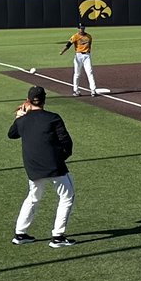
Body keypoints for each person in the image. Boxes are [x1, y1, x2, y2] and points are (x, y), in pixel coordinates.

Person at [8, 85, 75, 247]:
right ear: (44, 100)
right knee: (67, 197)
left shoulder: (22, 121)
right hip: (54, 166)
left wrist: (19, 116)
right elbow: (67, 142)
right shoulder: (53, 118)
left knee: (33, 198)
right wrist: (61, 158)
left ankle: (20, 234)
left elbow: (12, 134)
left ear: (28, 101)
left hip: (33, 167)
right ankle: (58, 236)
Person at [62, 22, 98, 95]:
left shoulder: (89, 36)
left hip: (87, 56)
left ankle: (93, 90)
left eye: (83, 28)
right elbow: (68, 45)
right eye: (80, 28)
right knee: (77, 73)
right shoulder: (75, 36)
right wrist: (63, 51)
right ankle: (76, 90)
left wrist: (88, 53)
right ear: (78, 28)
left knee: (89, 72)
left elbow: (89, 46)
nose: (82, 29)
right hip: (78, 56)